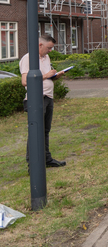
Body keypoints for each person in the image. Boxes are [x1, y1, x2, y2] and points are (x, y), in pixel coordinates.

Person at [20, 34, 66, 168]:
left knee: (45, 130)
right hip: (36, 99)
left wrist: (55, 76)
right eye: (49, 48)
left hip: (48, 97)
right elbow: (25, 81)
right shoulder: (28, 58)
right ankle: (33, 164)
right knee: (35, 131)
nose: (50, 50)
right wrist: (46, 75)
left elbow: (46, 78)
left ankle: (46, 159)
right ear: (40, 45)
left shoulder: (46, 58)